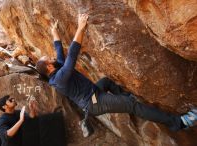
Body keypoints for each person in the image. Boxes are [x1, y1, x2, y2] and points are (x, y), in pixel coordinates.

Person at [36, 13, 197, 137]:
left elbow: (59, 53)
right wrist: (80, 27)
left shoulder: (55, 70)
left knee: (106, 81)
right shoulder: (59, 80)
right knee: (132, 106)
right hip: (94, 103)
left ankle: (125, 97)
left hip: (94, 92)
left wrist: (54, 32)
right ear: (49, 67)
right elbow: (71, 56)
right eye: (47, 59)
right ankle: (179, 122)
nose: (50, 58)